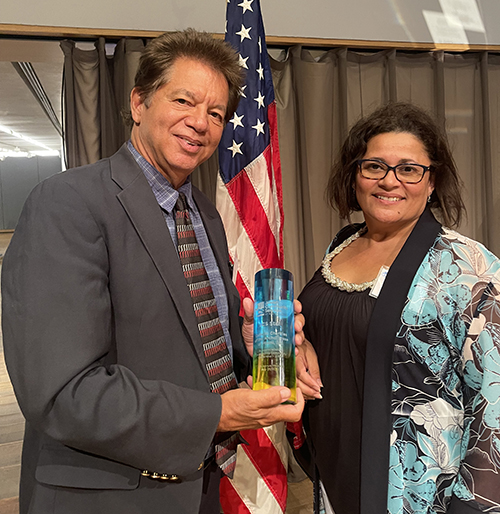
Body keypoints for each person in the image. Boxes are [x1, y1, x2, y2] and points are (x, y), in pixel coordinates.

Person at [1, 29, 306, 514]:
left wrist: (249, 343)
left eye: (216, 114)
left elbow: (190, 344)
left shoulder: (203, 213)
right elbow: (63, 392)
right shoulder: (67, 204)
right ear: (139, 102)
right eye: (184, 100)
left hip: (198, 484)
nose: (199, 123)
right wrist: (218, 413)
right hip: (107, 496)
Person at [296, 102, 500, 513]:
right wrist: (297, 346)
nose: (390, 181)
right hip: (333, 481)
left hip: (417, 497)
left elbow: (495, 403)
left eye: (409, 169)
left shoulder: (469, 267)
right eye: (374, 166)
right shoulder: (341, 245)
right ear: (355, 175)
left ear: (431, 181)